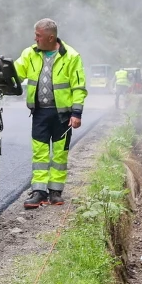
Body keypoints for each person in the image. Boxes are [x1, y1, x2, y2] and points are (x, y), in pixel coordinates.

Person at [15, 19, 87, 209]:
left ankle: (55, 192)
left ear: (50, 37)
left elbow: (79, 87)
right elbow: (16, 73)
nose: (35, 38)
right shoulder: (30, 53)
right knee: (40, 153)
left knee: (59, 154)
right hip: (39, 113)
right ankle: (39, 192)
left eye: (38, 35)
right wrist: (0, 74)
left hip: (62, 115)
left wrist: (77, 113)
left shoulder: (71, 56)